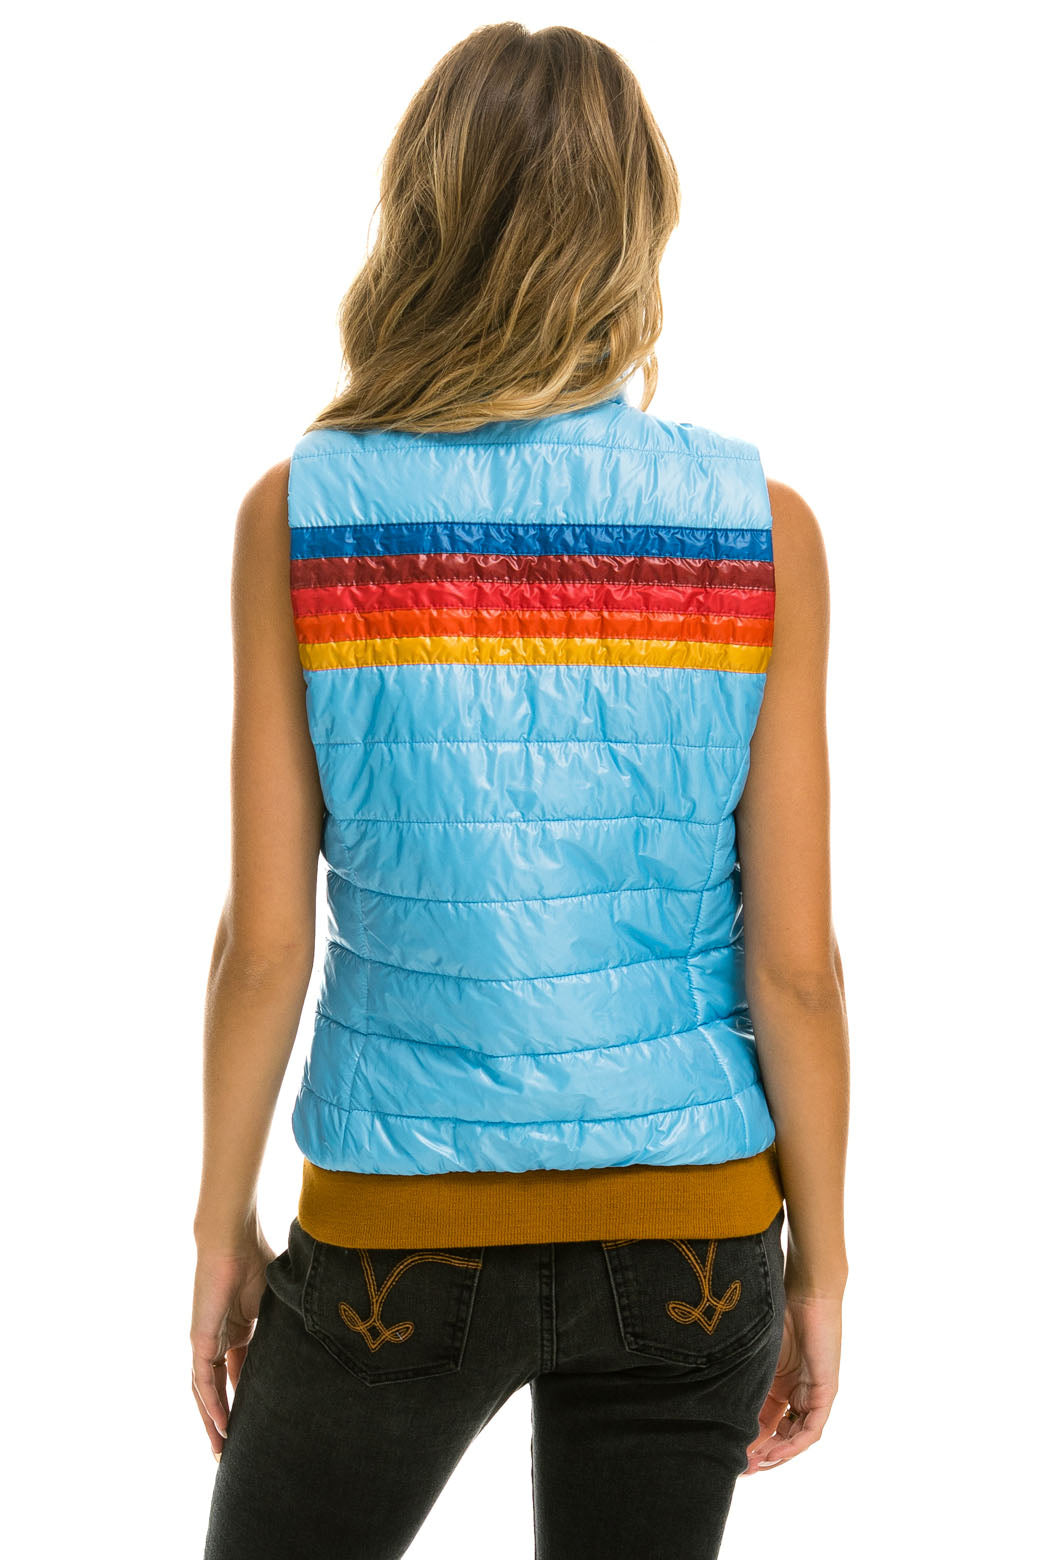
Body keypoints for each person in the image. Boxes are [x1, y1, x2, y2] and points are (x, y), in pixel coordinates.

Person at [193, 22, 849, 1560]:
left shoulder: (305, 513)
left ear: (420, 216)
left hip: (394, 1235)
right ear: (638, 228)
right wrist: (822, 1263)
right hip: (694, 1236)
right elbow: (798, 966)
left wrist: (221, 1226)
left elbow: (266, 944)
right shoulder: (761, 528)